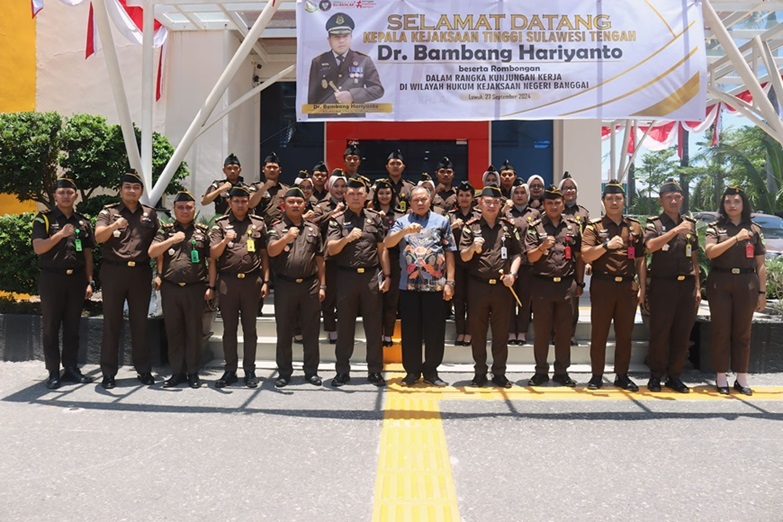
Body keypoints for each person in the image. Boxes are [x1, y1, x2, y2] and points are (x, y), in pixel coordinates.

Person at [385, 186, 456, 387]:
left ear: (430, 200)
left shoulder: (442, 221)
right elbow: (388, 243)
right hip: (408, 287)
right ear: (410, 203)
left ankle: (432, 371)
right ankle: (412, 371)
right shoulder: (401, 222)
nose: (420, 203)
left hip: (435, 287)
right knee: (410, 331)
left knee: (435, 330)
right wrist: (405, 231)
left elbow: (450, 251)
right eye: (416, 200)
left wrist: (450, 282)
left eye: (424, 199)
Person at [95, 171, 160, 389]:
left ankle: (143, 370)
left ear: (141, 191)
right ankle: (108, 373)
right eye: (127, 187)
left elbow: (158, 246)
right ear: (120, 190)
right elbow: (98, 237)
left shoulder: (150, 214)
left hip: (140, 273)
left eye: (136, 188)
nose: (131, 191)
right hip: (113, 272)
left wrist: (159, 273)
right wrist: (114, 226)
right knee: (112, 323)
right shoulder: (109, 212)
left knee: (140, 323)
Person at [326, 175, 391, 387]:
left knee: (374, 326)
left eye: (359, 193)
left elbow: (382, 249)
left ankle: (374, 371)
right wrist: (347, 238)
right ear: (345, 196)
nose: (355, 197)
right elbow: (331, 249)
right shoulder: (337, 220)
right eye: (351, 194)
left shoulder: (375, 218)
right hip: (346, 277)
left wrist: (387, 276)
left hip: (371, 277)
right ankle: (342, 371)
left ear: (366, 196)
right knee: (345, 326)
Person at [581, 180, 645, 391]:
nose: (614, 202)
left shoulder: (634, 227)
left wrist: (642, 287)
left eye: (618, 198)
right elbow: (586, 254)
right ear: (603, 201)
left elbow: (641, 259)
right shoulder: (594, 226)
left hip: (627, 286)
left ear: (624, 201)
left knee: (624, 334)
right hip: (603, 284)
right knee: (599, 332)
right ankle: (596, 375)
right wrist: (606, 245)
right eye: (610, 198)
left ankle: (622, 375)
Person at [32, 178, 95, 389]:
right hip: (52, 279)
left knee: (73, 326)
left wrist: (89, 281)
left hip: (76, 279)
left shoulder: (83, 222)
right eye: (62, 192)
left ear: (75, 195)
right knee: (51, 326)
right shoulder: (44, 219)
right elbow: (39, 248)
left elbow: (88, 255)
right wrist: (60, 234)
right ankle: (53, 372)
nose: (66, 196)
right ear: (55, 195)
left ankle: (71, 368)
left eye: (70, 192)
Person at [149, 191, 215, 389]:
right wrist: (172, 240)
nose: (185, 211)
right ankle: (177, 372)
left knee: (194, 332)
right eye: (180, 207)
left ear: (194, 209)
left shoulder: (203, 231)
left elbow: (212, 260)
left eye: (188, 207)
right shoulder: (166, 230)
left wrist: (211, 286)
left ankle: (193, 372)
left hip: (196, 288)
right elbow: (152, 252)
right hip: (171, 288)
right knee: (174, 331)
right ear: (174, 209)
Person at [705, 186, 767, 396]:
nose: (732, 205)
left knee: (742, 333)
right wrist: (736, 238)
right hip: (720, 282)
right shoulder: (715, 228)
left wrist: (762, 292)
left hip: (746, 283)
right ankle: (721, 376)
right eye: (728, 201)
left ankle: (742, 377)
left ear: (743, 204)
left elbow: (760, 264)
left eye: (736, 201)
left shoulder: (755, 229)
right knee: (721, 330)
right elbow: (710, 252)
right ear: (723, 205)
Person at [459, 185, 522, 388]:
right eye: (488, 202)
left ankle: (499, 373)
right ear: (480, 203)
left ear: (500, 204)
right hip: (478, 286)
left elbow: (517, 254)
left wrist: (513, 274)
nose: (492, 205)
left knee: (501, 333)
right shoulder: (471, 226)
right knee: (477, 332)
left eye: (496, 202)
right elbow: (463, 256)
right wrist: (472, 248)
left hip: (502, 288)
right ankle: (479, 372)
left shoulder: (508, 227)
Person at [643, 178, 700, 393]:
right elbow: (650, 246)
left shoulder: (690, 224)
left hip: (686, 286)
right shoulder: (655, 224)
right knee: (660, 332)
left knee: (682, 333)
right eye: (669, 197)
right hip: (662, 286)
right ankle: (656, 375)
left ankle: (674, 376)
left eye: (677, 197)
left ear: (682, 199)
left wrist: (697, 286)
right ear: (661, 200)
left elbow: (694, 256)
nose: (673, 200)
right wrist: (675, 231)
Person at [210, 186, 270, 388]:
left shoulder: (258, 224)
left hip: (252, 282)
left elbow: (264, 255)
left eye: (244, 200)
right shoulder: (221, 225)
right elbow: (213, 255)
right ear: (229, 202)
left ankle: (250, 370)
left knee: (250, 329)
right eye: (236, 201)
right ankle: (230, 370)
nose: (240, 204)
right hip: (228, 282)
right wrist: (225, 240)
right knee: (229, 329)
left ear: (248, 202)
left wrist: (266, 281)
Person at [524, 186, 585, 387]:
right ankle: (540, 371)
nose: (553, 206)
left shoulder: (573, 226)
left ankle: (562, 371)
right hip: (542, 285)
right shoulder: (535, 226)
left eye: (557, 202)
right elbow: (530, 257)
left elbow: (579, 257)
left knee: (564, 331)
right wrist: (542, 248)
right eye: (549, 203)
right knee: (541, 332)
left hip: (566, 285)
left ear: (562, 204)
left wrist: (580, 282)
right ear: (543, 205)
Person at [267, 187, 326, 387]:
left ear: (304, 205)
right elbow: (271, 252)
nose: (295, 205)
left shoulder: (314, 229)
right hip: (285, 285)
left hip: (310, 285)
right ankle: (284, 372)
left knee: (311, 330)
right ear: (284, 205)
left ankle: (311, 371)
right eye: (291, 202)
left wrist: (323, 285)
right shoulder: (275, 228)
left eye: (299, 202)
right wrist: (286, 238)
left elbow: (320, 260)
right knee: (284, 330)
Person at [307, 12, 384, 107]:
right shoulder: (318, 62)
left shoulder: (364, 61)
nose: (341, 41)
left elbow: (377, 89)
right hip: (328, 117)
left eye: (345, 36)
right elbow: (313, 97)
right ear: (329, 39)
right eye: (336, 37)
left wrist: (352, 95)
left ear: (351, 38)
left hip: (354, 117)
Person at [311, 170, 347, 343]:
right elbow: (314, 224)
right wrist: (334, 213)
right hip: (329, 256)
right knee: (329, 295)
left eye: (343, 186)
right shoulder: (321, 205)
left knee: (345, 295)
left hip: (348, 257)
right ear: (330, 187)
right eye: (336, 186)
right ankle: (331, 329)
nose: (340, 190)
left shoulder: (352, 203)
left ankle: (346, 327)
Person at [369, 178, 404, 347]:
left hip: (394, 260)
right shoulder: (369, 214)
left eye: (387, 193)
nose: (384, 196)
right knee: (375, 301)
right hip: (373, 260)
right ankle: (375, 335)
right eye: (381, 193)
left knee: (391, 300)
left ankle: (388, 335)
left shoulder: (400, 216)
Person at [506, 179, 539, 345]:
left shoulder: (534, 213)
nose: (519, 195)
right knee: (509, 299)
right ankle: (511, 331)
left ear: (528, 195)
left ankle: (522, 332)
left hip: (528, 263)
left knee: (525, 300)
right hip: (509, 263)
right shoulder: (506, 213)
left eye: (522, 192)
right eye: (516, 193)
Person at [560, 171, 591, 346]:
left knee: (573, 299)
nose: (569, 191)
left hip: (575, 262)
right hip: (556, 261)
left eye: (572, 188)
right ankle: (554, 333)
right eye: (565, 188)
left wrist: (588, 262)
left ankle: (570, 333)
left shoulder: (583, 213)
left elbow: (588, 240)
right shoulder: (554, 207)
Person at [448, 180, 480, 347]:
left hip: (475, 262)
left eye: (468, 195)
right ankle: (460, 331)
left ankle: (470, 332)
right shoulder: (450, 216)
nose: (464, 198)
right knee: (459, 299)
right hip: (456, 262)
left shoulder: (479, 216)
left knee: (473, 300)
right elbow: (440, 239)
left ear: (473, 197)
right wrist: (450, 228)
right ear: (457, 197)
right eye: (461, 195)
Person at [250, 152, 289, 227]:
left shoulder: (286, 189)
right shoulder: (256, 187)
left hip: (281, 228)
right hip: (261, 227)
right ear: (263, 169)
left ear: (280, 170)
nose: (272, 170)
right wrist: (265, 187)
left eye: (275, 167)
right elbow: (251, 204)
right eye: (269, 167)